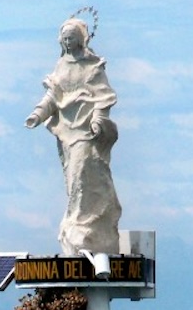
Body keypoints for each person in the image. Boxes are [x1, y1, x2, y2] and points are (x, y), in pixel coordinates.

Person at [25, 16, 122, 256]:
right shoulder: (61, 67)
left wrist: (99, 118)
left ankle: (85, 227)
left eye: (71, 38)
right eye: (64, 39)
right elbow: (53, 97)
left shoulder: (92, 66)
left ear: (80, 40)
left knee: (84, 175)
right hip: (66, 131)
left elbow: (103, 96)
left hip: (87, 132)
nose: (68, 43)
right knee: (73, 180)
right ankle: (76, 226)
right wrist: (38, 114)